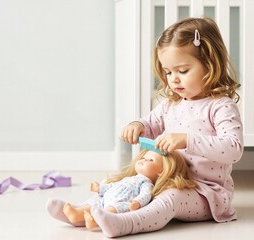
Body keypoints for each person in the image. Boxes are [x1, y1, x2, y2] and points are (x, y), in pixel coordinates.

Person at [90, 17, 244, 237]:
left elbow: (233, 148)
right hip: (164, 179)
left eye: (182, 71)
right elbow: (150, 124)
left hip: (205, 193)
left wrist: (186, 140)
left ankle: (126, 224)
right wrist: (138, 125)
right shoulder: (170, 104)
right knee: (123, 184)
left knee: (170, 198)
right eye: (168, 72)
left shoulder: (220, 106)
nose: (174, 80)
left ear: (209, 65)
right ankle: (85, 211)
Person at [47, 149, 197, 230]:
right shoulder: (130, 178)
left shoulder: (146, 184)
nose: (144, 160)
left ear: (161, 171)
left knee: (110, 210)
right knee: (95, 204)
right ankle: (76, 214)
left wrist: (137, 203)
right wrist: (101, 187)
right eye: (144, 157)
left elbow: (145, 195)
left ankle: (94, 223)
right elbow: (115, 186)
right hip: (109, 197)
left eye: (150, 160)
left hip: (121, 203)